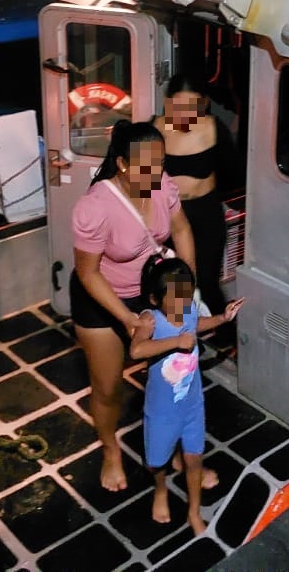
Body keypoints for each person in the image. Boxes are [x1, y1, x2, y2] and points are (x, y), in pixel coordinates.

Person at [70, 119, 198, 491]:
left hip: (149, 291)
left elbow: (182, 230)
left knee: (170, 380)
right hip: (101, 298)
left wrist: (186, 285)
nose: (156, 172)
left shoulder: (163, 186)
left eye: (160, 162)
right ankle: (110, 450)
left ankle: (171, 444)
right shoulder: (95, 207)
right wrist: (126, 318)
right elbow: (88, 273)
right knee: (109, 387)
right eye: (146, 165)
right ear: (123, 164)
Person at [129, 255, 243, 534]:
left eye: (187, 294)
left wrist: (221, 318)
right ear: (155, 300)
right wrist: (176, 342)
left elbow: (196, 324)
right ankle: (160, 490)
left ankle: (193, 511)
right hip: (162, 413)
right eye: (174, 298)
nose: (182, 304)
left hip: (193, 405)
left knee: (195, 459)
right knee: (156, 463)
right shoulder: (150, 320)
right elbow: (136, 350)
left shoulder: (188, 308)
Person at [153, 74, 243, 326]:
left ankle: (225, 333)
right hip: (167, 214)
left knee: (205, 280)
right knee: (168, 283)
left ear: (202, 105)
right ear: (167, 102)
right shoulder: (154, 129)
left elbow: (234, 173)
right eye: (177, 106)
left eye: (191, 107)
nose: (183, 113)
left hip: (205, 214)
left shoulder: (213, 128)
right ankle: (175, 333)